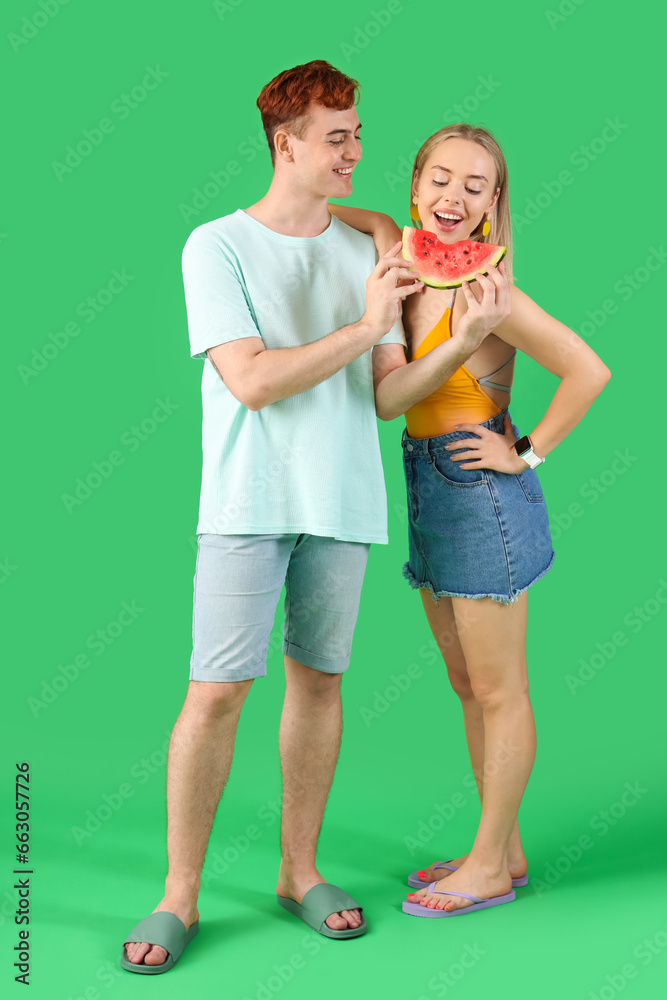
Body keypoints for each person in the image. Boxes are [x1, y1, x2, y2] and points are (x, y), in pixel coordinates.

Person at [120, 62, 493, 974]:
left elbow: (385, 398)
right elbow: (248, 380)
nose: (357, 151)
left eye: (359, 134)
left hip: (343, 501)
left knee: (319, 686)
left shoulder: (372, 250)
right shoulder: (213, 246)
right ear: (286, 144)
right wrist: (368, 324)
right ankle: (180, 892)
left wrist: (465, 339)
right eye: (338, 137)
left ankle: (299, 871)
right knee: (216, 692)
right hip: (245, 503)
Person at [329, 123, 611, 918]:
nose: (453, 198)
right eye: (439, 180)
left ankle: (487, 866)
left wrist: (526, 451)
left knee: (499, 689)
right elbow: (360, 219)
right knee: (465, 685)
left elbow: (589, 370)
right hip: (425, 480)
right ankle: (503, 847)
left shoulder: (493, 293)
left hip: (479, 490)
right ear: (414, 184)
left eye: (474, 186)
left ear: (493, 206)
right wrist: (313, 210)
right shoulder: (400, 248)